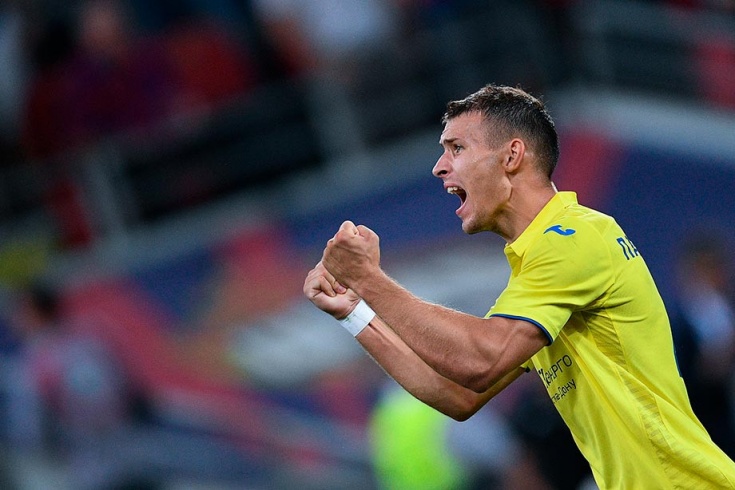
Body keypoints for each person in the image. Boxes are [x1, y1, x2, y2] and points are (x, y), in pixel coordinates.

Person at [303, 84, 735, 489]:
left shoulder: (571, 238)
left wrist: (369, 279)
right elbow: (458, 394)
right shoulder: (541, 266)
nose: (439, 166)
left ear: (511, 156)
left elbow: (481, 360)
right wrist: (354, 311)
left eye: (457, 148)